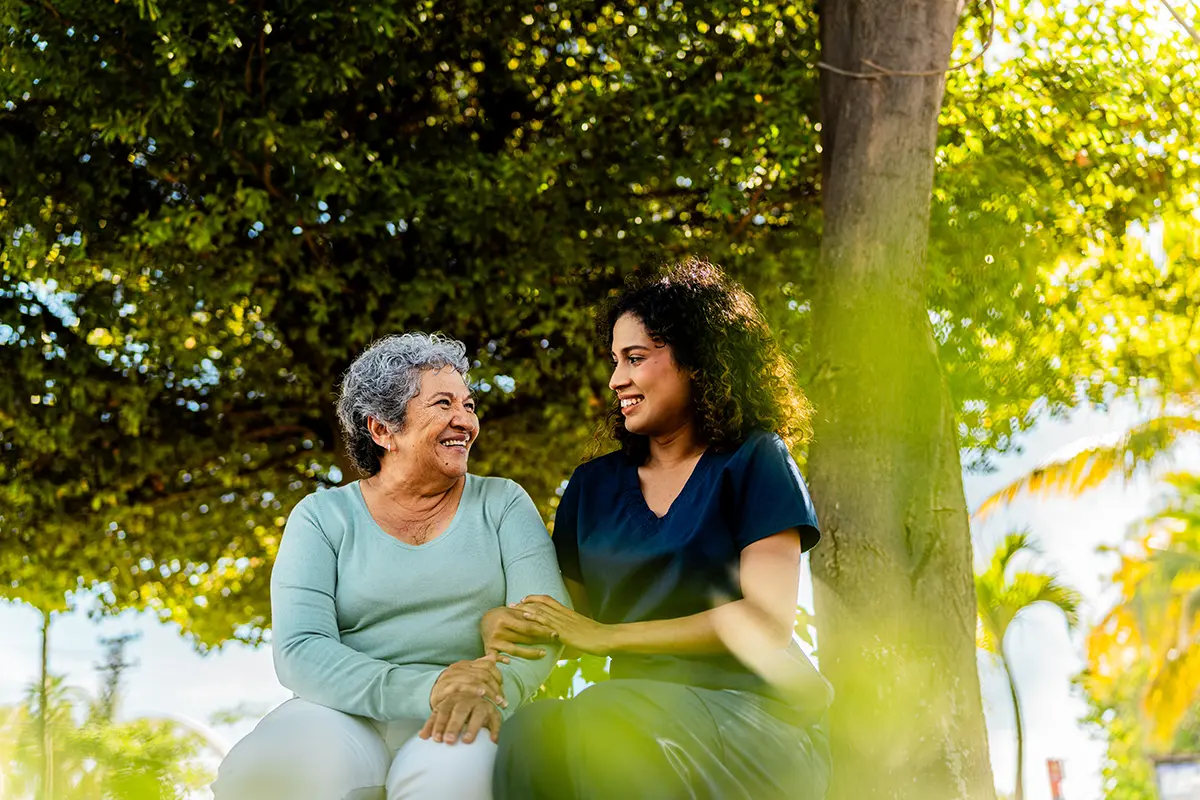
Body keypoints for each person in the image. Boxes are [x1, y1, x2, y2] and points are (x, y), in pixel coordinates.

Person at [487, 260, 833, 799]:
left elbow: (766, 622)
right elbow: (566, 621)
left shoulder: (754, 460)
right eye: (614, 361)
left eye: (636, 358)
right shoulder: (592, 486)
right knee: (531, 735)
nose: (616, 379)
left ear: (695, 361)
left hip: (755, 719)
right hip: (632, 718)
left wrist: (609, 638)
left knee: (605, 717)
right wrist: (501, 625)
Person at [213, 333, 568, 800]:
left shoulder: (503, 503)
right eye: (443, 404)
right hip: (338, 710)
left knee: (456, 779)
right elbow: (301, 649)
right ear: (382, 430)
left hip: (470, 706)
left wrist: (489, 693)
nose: (465, 420)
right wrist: (428, 686)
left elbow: (540, 625)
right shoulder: (322, 517)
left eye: (469, 404)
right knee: (269, 771)